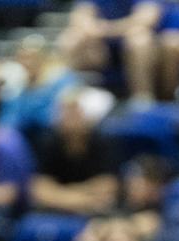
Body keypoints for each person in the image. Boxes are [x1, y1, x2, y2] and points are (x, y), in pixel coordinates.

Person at [31, 87, 120, 217]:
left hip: (93, 212)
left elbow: (108, 187)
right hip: (57, 211)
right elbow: (39, 189)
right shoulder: (48, 142)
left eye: (75, 112)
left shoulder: (103, 142)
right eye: (66, 112)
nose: (71, 118)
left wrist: (60, 193)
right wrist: (80, 196)